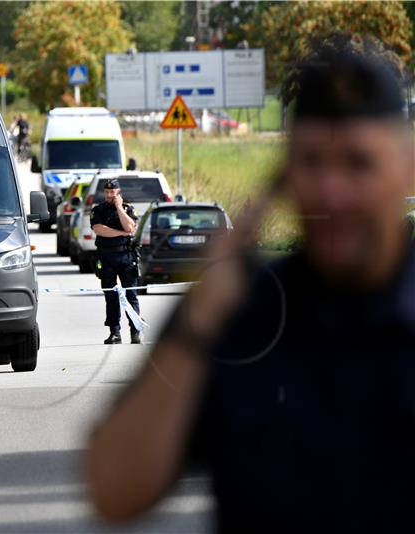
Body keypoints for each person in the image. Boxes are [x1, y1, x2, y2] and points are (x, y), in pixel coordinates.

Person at [87, 40, 415, 533]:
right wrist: (199, 322)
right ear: (285, 175)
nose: (332, 190)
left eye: (358, 163)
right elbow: (115, 490)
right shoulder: (237, 312)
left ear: (406, 167)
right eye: (312, 163)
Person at [90, 178, 141, 344]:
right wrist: (120, 233)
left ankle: (135, 330)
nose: (109, 195)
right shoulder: (98, 210)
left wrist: (119, 208)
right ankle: (115, 332)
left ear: (119, 193)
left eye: (112, 192)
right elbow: (99, 230)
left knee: (131, 295)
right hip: (106, 257)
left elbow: (130, 228)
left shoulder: (127, 208)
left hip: (126, 257)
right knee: (110, 296)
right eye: (107, 192)